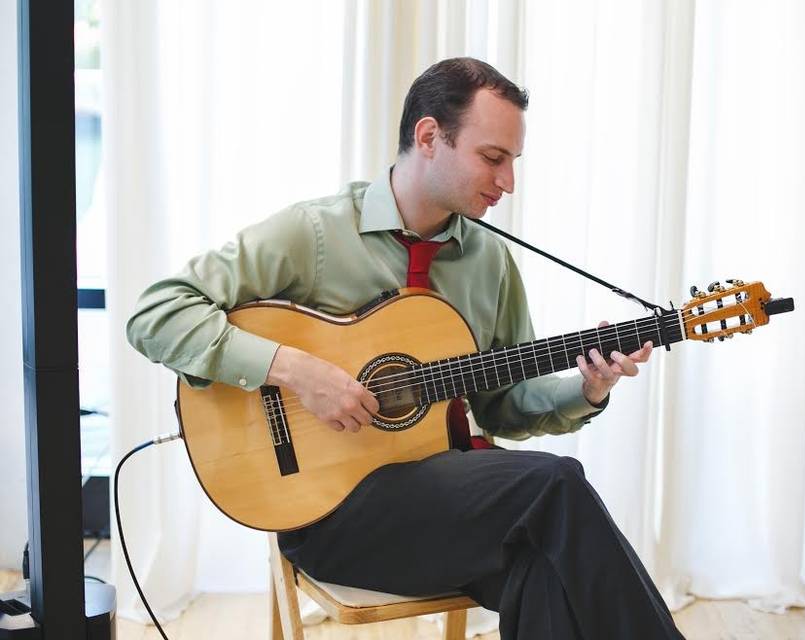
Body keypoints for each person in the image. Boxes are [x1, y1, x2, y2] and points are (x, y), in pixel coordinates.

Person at [127, 57, 684, 639]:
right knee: (557, 485)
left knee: (544, 569)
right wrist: (294, 369)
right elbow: (156, 314)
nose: (507, 183)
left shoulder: (489, 260)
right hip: (332, 513)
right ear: (428, 137)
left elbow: (501, 404)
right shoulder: (314, 234)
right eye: (492, 158)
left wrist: (587, 387)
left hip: (455, 502)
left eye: (513, 163)